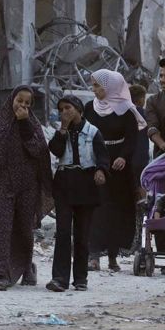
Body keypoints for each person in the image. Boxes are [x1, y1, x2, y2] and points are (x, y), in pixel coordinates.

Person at [0, 86, 53, 291]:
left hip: (27, 184)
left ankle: (26, 268)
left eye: (27, 103)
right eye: (19, 101)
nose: (22, 105)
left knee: (24, 228)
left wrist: (24, 125)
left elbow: (38, 151)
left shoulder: (33, 125)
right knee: (1, 229)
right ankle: (1, 274)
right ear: (11, 99)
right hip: (1, 184)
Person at [47, 96, 109, 293]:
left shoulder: (92, 132)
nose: (65, 112)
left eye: (68, 108)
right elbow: (55, 150)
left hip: (86, 185)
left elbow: (102, 156)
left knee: (82, 234)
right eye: (61, 109)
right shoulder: (62, 132)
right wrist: (63, 129)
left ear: (79, 110)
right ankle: (59, 278)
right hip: (65, 183)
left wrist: (100, 170)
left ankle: (81, 278)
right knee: (63, 232)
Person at [85, 70, 144, 273]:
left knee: (116, 211)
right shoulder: (89, 109)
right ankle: (93, 254)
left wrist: (123, 156)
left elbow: (132, 138)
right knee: (96, 209)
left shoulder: (125, 110)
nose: (94, 90)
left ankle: (112, 255)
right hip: (95, 164)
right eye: (93, 86)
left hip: (118, 167)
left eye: (97, 86)